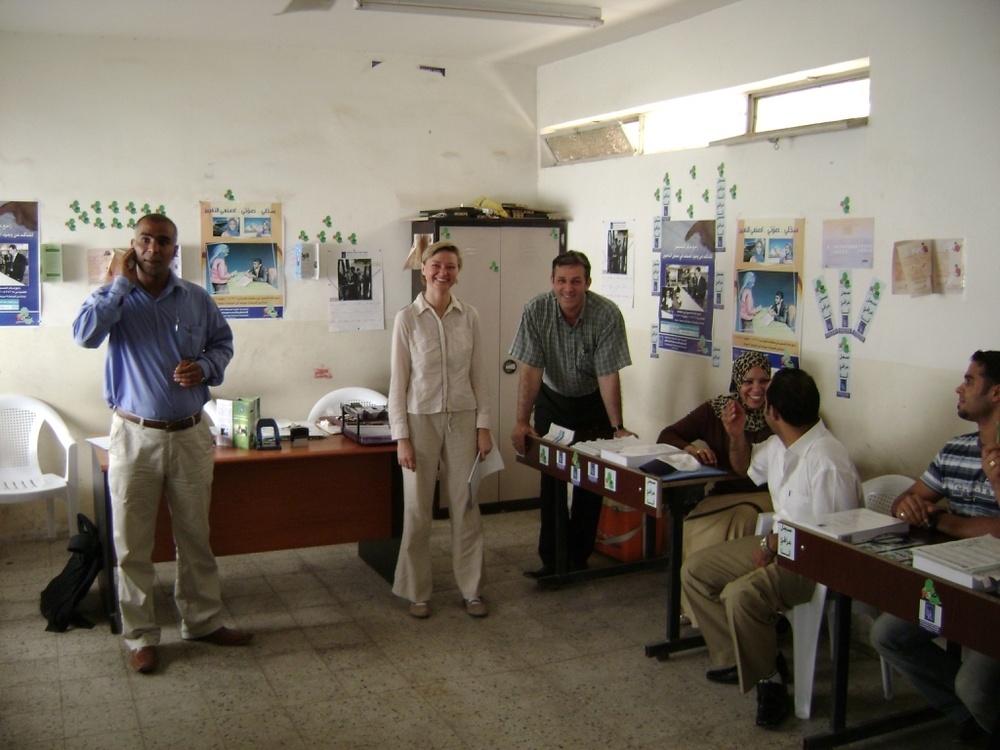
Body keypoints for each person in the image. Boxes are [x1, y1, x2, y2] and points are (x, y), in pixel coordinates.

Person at [72, 214, 252, 675]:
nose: (154, 249)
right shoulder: (114, 299)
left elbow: (223, 345)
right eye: (145, 241)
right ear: (133, 246)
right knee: (132, 544)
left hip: (191, 433)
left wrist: (206, 368)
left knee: (195, 537)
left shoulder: (196, 299)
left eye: (164, 242)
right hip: (134, 436)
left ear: (176, 250)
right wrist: (117, 286)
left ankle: (202, 621)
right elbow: (85, 336)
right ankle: (141, 637)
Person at [681, 367, 861, 727]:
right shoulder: (783, 444)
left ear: (773, 413)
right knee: (695, 571)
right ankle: (743, 657)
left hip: (813, 565)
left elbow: (834, 541)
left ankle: (770, 682)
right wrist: (735, 436)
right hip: (779, 547)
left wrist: (777, 542)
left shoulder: (827, 461)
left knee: (740, 595)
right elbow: (745, 464)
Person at [871, 350, 1000, 746]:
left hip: (993, 599)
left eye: (970, 380)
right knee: (888, 634)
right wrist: (905, 505)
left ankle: (981, 712)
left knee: (974, 682)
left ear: (996, 393)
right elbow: (908, 499)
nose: (959, 388)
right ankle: (971, 719)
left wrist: (942, 520)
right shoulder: (955, 449)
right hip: (950, 584)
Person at [509, 250, 634, 577]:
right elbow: (530, 371)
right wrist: (522, 421)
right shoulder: (536, 310)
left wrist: (617, 426)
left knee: (591, 479)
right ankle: (552, 559)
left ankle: (578, 557)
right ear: (552, 282)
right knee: (551, 477)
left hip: (593, 401)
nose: (568, 288)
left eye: (576, 281)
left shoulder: (606, 314)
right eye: (562, 281)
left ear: (587, 283)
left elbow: (608, 374)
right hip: (552, 400)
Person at [388, 240, 492, 619]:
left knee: (465, 506)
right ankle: (417, 591)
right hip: (419, 421)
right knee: (417, 510)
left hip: (463, 418)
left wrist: (483, 426)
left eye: (450, 266)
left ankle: (472, 589)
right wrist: (402, 437)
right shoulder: (407, 319)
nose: (442, 273)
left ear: (457, 272)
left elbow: (479, 374)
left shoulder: (470, 316)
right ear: (424, 270)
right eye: (436, 266)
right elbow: (397, 383)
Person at [657, 351, 774, 626]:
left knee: (740, 523)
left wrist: (738, 436)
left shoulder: (776, 414)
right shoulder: (718, 410)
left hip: (762, 497)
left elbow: (746, 468)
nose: (756, 389)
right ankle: (695, 609)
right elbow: (668, 434)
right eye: (748, 382)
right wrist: (692, 449)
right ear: (736, 382)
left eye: (764, 381)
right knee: (690, 527)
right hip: (724, 494)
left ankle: (731, 609)